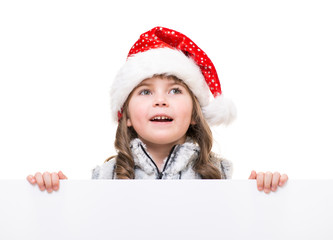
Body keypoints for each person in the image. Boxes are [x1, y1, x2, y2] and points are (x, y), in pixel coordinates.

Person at [27, 26, 288, 194]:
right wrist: (53, 196)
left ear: (196, 114)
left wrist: (265, 195)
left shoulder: (219, 177)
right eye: (145, 91)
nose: (161, 101)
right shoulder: (104, 179)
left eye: (175, 90)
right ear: (126, 116)